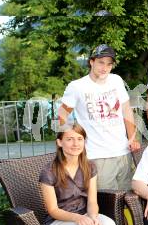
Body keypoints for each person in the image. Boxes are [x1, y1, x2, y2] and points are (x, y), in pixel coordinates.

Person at [39, 123, 118, 225]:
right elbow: (53, 210)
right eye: (69, 139)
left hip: (84, 216)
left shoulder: (90, 166)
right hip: (56, 223)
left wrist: (93, 217)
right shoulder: (48, 172)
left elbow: (92, 202)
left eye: (79, 139)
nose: (75, 144)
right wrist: (78, 219)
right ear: (59, 142)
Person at [58, 44, 140, 190]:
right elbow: (62, 114)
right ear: (91, 61)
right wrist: (70, 141)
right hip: (97, 155)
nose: (105, 67)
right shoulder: (77, 86)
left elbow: (126, 109)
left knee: (128, 200)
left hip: (123, 152)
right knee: (105, 202)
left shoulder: (116, 80)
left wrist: (132, 137)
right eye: (101, 62)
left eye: (109, 64)